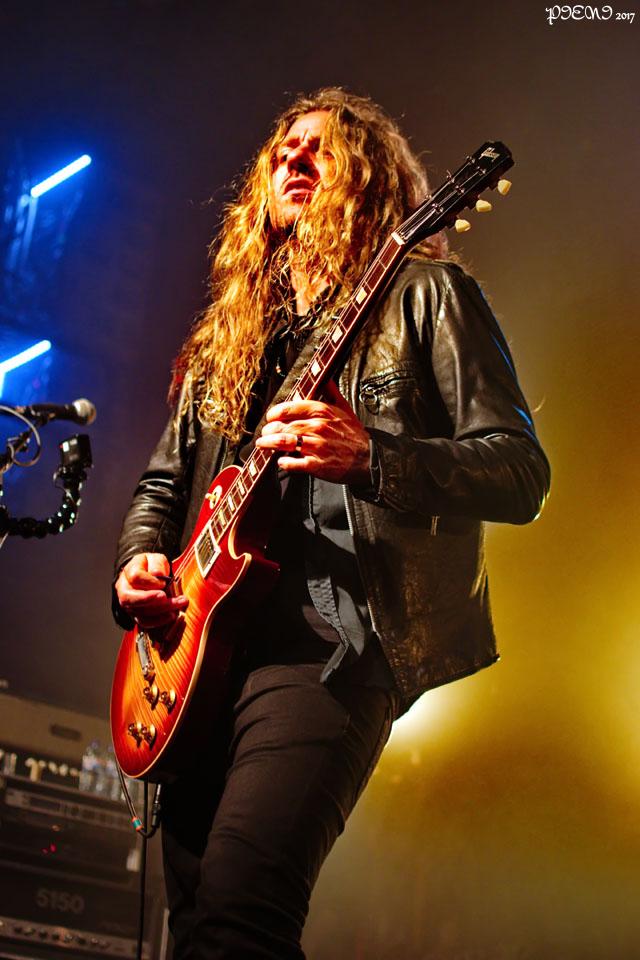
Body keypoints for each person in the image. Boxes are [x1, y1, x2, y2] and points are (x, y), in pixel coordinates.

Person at [112, 88, 550, 959]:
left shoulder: (427, 295)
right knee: (195, 931)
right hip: (196, 658)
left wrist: (372, 455)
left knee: (241, 912)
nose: (293, 159)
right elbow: (163, 485)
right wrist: (139, 563)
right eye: (282, 150)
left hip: (332, 647)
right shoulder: (230, 341)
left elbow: (519, 470)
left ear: (370, 176)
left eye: (319, 147)